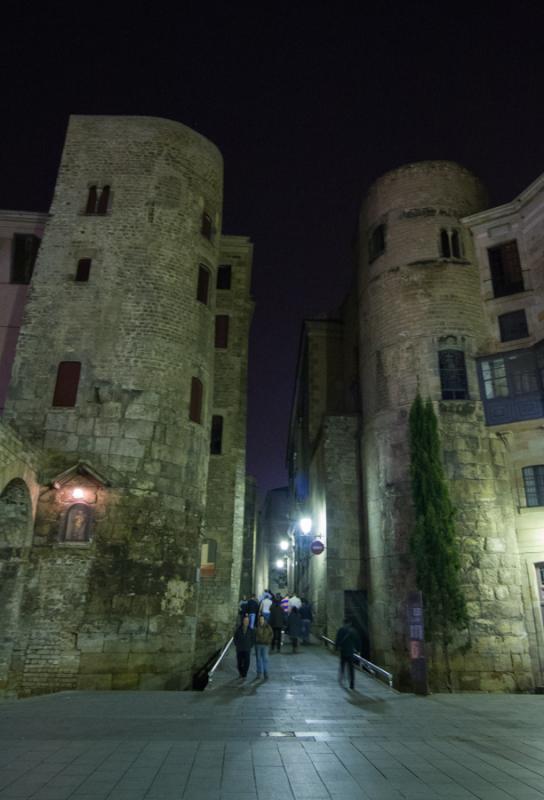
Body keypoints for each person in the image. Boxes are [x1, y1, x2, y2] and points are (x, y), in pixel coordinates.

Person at [335, 617, 361, 690]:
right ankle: (352, 683)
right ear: (350, 623)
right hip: (350, 652)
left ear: (343, 623)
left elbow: (337, 639)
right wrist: (358, 649)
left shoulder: (341, 630)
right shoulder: (353, 631)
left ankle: (342, 677)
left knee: (342, 664)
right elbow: (357, 641)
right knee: (351, 668)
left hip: (343, 651)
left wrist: (336, 648)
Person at [234, 614, 255, 679]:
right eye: (245, 620)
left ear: (249, 622)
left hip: (247, 648)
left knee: (247, 662)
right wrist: (237, 644)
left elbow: (253, 639)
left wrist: (250, 645)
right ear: (243, 621)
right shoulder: (238, 629)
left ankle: (244, 673)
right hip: (239, 648)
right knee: (239, 662)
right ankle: (240, 672)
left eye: (247, 621)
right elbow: (235, 638)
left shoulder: (251, 630)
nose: (246, 622)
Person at [255, 614, 273, 678]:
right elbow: (254, 635)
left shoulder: (268, 626)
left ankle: (265, 672)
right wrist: (257, 640)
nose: (261, 620)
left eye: (262, 619)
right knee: (258, 659)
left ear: (264, 620)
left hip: (265, 645)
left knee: (265, 659)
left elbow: (271, 634)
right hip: (258, 645)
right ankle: (259, 672)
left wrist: (268, 641)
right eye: (260, 619)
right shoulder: (257, 626)